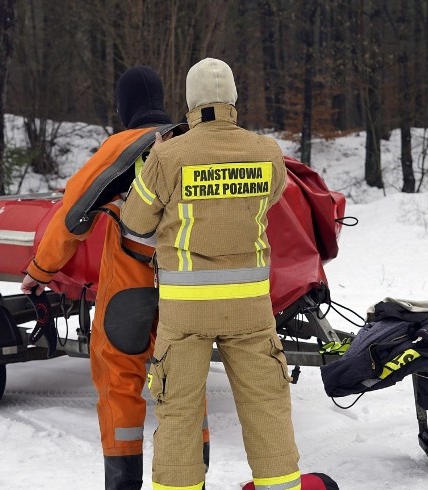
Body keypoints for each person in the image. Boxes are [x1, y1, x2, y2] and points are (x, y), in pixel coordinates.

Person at [121, 58, 337, 490]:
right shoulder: (266, 152)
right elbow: (270, 200)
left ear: (189, 101)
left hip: (185, 315)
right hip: (251, 311)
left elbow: (135, 222)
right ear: (233, 99)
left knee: (178, 412)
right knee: (266, 406)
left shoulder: (167, 155)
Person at [20, 66, 209, 490]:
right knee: (184, 380)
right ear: (163, 101)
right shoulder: (189, 144)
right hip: (187, 287)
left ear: (124, 107)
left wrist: (40, 271)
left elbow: (73, 216)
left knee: (119, 380)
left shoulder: (123, 148)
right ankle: (193, 475)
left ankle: (123, 481)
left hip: (130, 287)